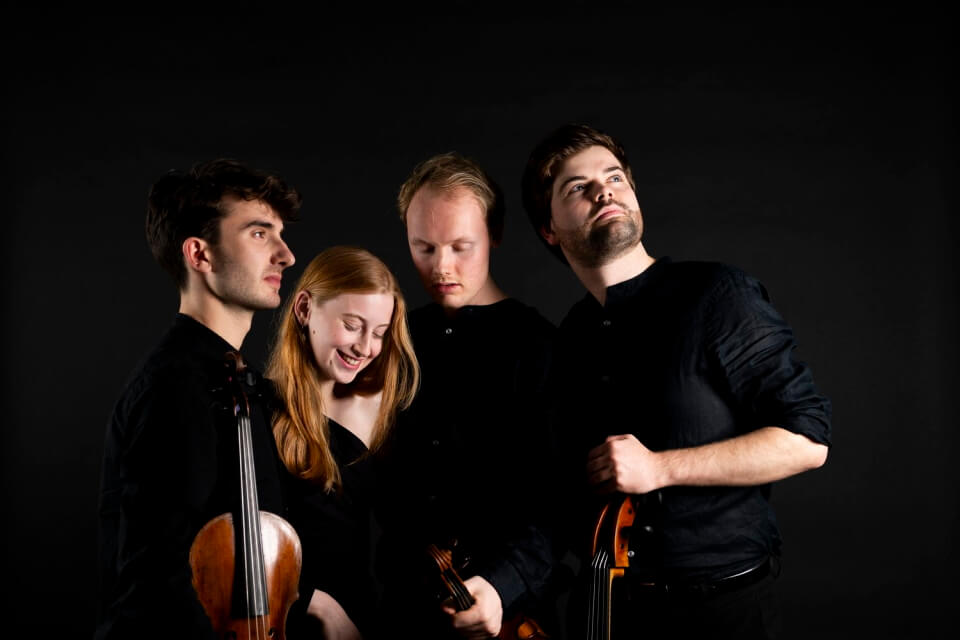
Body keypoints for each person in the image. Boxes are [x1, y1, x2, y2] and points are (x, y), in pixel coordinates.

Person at [520, 123, 832, 640]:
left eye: (615, 177)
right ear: (549, 229)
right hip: (611, 609)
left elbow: (808, 439)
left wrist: (660, 468)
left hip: (721, 611)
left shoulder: (717, 295)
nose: (604, 190)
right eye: (577, 187)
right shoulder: (570, 336)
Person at [95, 158, 301, 639]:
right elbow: (153, 588)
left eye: (280, 233)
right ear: (200, 256)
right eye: (258, 233)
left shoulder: (234, 379)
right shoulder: (176, 387)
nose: (286, 255)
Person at [374, 152, 562, 638]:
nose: (442, 267)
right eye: (424, 247)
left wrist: (502, 586)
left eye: (462, 246)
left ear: (494, 235)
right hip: (402, 610)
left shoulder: (540, 347)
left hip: (511, 612)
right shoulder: (396, 337)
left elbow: (561, 504)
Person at [265, 246, 419, 639]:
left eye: (380, 333)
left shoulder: (385, 408)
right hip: (289, 622)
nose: (366, 347)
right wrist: (316, 602)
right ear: (304, 310)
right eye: (352, 325)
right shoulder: (259, 411)